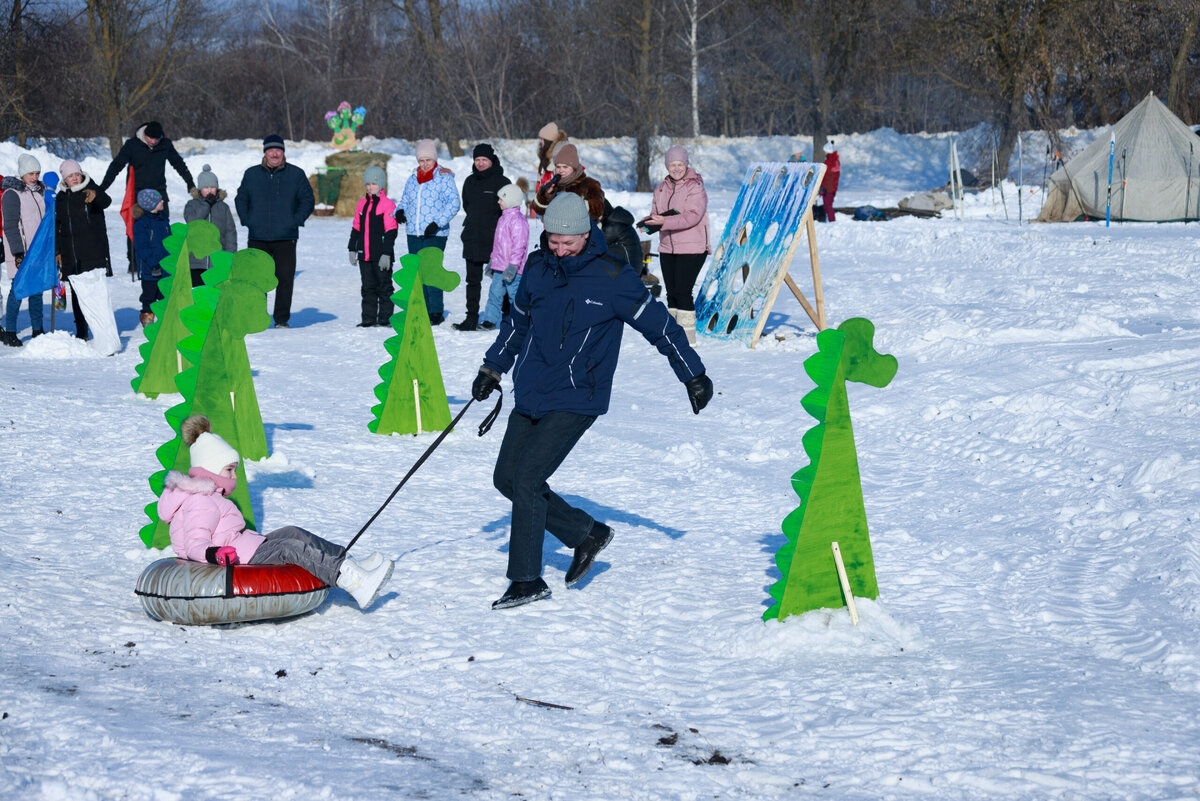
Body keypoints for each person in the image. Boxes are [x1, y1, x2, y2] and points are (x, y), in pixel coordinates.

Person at [470, 194, 714, 609]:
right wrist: (492, 368)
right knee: (507, 479)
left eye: (570, 242)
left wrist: (693, 374)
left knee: (528, 478)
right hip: (532, 388)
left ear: (587, 234)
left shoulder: (613, 276)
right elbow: (518, 324)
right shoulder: (537, 268)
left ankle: (526, 580)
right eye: (553, 241)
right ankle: (586, 533)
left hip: (578, 394)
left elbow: (661, 327)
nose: (560, 249)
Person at [159, 414, 395, 610]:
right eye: (230, 469)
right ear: (211, 470)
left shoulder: (209, 497)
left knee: (292, 532)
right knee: (288, 548)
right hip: (239, 558)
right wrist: (216, 554)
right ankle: (354, 581)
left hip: (247, 547)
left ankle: (348, 563)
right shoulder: (201, 502)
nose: (234, 476)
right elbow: (194, 544)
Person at [234, 135, 315, 328]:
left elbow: (307, 200)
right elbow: (241, 199)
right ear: (264, 152)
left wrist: (295, 221)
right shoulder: (251, 174)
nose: (275, 153)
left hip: (286, 237)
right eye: (270, 150)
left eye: (278, 150)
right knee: (256, 280)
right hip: (257, 237)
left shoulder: (296, 174)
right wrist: (248, 220)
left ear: (283, 152)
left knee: (285, 279)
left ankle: (281, 319)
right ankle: (257, 317)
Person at [99, 121, 195, 275]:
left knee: (162, 229)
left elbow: (178, 163)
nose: (153, 142)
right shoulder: (132, 145)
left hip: (159, 195)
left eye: (156, 139)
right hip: (137, 196)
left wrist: (190, 182)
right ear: (144, 135)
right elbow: (116, 165)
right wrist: (103, 187)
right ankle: (134, 263)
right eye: (150, 138)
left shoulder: (165, 145)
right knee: (137, 230)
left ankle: (164, 262)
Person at [641, 145, 710, 345]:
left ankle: (688, 340)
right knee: (671, 292)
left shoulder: (695, 187)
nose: (676, 168)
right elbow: (658, 214)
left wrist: (663, 222)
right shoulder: (661, 188)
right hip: (667, 247)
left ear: (686, 165)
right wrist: (648, 223)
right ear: (667, 166)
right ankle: (674, 335)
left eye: (680, 164)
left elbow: (692, 217)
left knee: (682, 291)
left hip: (692, 247)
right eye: (673, 164)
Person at [396, 139, 459, 325]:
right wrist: (399, 211)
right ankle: (420, 308)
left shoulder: (443, 177)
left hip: (435, 233)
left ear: (434, 159)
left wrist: (438, 222)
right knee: (417, 273)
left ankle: (435, 312)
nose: (424, 164)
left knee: (431, 272)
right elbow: (405, 201)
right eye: (421, 160)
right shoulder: (412, 178)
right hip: (413, 232)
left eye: (428, 160)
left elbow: (454, 203)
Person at [55, 159, 112, 340]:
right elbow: (57, 227)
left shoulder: (90, 189)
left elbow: (106, 201)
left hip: (92, 251)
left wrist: (96, 195)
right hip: (71, 254)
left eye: (77, 174)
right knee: (77, 294)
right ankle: (82, 331)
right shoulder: (61, 198)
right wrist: (57, 251)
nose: (75, 178)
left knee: (95, 293)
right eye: (70, 176)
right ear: (65, 179)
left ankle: (102, 331)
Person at [453, 143, 508, 331]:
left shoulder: (502, 182)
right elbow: (467, 205)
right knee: (472, 281)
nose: (480, 163)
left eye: (484, 160)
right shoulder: (470, 182)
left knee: (502, 281)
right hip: (473, 237)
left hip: (496, 240)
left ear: (491, 160)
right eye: (477, 160)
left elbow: (508, 211)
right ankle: (471, 318)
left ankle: (505, 316)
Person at [1, 154, 48, 346]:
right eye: (31, 173)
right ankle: (10, 331)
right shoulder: (12, 194)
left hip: (38, 251)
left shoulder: (39, 192)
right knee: (18, 291)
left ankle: (38, 329)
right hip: (20, 252)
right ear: (22, 174)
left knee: (37, 291)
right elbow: (10, 226)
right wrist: (19, 252)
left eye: (37, 173)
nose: (34, 177)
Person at [346, 164, 398, 328]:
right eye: (368, 184)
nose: (370, 187)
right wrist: (352, 248)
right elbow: (356, 227)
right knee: (367, 287)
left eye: (374, 184)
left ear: (381, 185)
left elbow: (391, 231)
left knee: (384, 287)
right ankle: (368, 317)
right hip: (364, 255)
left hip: (381, 255)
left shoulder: (387, 204)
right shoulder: (362, 204)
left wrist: (387, 253)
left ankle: (385, 317)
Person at [478, 183, 529, 331]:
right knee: (494, 294)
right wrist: (492, 262)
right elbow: (498, 244)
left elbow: (519, 247)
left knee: (515, 297)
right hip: (499, 267)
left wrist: (513, 266)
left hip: (513, 269)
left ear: (511, 200)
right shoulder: (503, 218)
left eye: (502, 199)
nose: (498, 201)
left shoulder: (518, 221)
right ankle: (489, 320)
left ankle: (520, 323)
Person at [183, 165, 237, 288]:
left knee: (215, 295)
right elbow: (192, 222)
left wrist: (230, 255)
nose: (209, 190)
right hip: (197, 262)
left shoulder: (223, 207)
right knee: (198, 296)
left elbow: (230, 232)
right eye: (206, 187)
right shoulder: (192, 205)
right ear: (199, 189)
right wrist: (206, 205)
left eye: (212, 187)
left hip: (217, 261)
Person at [532, 144, 605, 223]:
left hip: (583, 232)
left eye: (565, 167)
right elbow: (539, 210)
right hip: (557, 231)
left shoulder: (589, 184)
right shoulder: (554, 186)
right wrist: (545, 195)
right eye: (558, 167)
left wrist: (572, 205)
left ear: (574, 168)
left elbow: (597, 209)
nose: (561, 170)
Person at [132, 188, 171, 327]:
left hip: (165, 268)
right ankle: (148, 321)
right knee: (149, 296)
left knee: (164, 296)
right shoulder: (141, 224)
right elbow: (142, 246)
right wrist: (153, 264)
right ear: (151, 204)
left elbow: (169, 241)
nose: (163, 201)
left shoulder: (163, 219)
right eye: (159, 200)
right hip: (150, 270)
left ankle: (164, 322)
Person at [532, 122, 569, 218]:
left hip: (559, 213)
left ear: (548, 141)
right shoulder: (544, 162)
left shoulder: (561, 162)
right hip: (546, 210)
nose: (540, 142)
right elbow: (539, 183)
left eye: (542, 139)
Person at [819, 140, 841, 223]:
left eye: (824, 151)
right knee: (827, 205)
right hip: (832, 187)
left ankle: (832, 222)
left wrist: (823, 187)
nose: (824, 153)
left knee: (828, 206)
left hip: (829, 188)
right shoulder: (835, 161)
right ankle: (830, 220)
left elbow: (827, 177)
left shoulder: (829, 162)